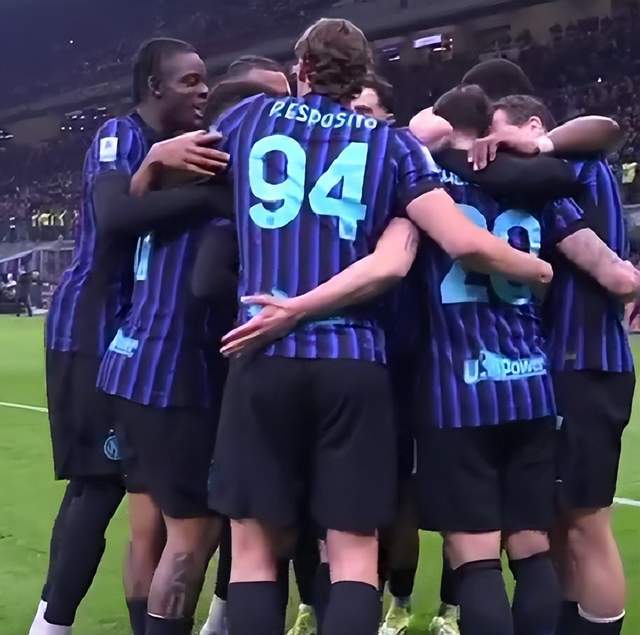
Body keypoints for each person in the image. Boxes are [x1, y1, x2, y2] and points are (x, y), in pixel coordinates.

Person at [207, 17, 551, 635]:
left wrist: (153, 160)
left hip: (261, 349)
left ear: (300, 69)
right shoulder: (392, 147)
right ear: (361, 76)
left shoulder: (247, 119)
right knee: (353, 551)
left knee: (254, 549)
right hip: (354, 360)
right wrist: (537, 267)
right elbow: (463, 241)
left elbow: (190, 169)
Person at [29, 37, 229, 635]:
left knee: (151, 497)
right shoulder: (119, 134)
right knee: (98, 485)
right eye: (190, 80)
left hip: (141, 340)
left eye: (206, 79)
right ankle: (51, 625)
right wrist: (207, 196)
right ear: (154, 85)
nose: (203, 90)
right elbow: (114, 217)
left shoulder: (191, 146)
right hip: (92, 328)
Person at [491, 95, 636, 635]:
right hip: (572, 364)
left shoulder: (568, 167)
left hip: (585, 364)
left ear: (533, 126)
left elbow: (606, 125)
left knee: (584, 523)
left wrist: (538, 147)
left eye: (503, 137)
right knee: (558, 522)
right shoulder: (571, 170)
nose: (498, 153)